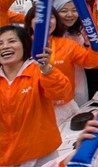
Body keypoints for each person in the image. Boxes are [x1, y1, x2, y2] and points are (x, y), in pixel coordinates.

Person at [0, 25, 72, 167]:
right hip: (5, 159)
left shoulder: (38, 71)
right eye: (0, 43)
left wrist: (47, 70)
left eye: (12, 41)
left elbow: (61, 93)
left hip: (41, 156)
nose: (5, 46)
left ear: (24, 45)